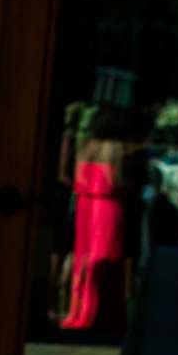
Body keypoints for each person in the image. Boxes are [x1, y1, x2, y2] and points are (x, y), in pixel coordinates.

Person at [61, 102, 141, 332]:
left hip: (86, 204)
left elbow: (77, 179)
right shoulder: (115, 149)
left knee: (82, 259)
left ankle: (75, 312)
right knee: (103, 260)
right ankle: (96, 314)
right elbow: (117, 182)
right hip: (107, 205)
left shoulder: (86, 146)